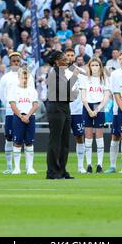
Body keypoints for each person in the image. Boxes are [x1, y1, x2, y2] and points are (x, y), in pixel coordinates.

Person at [0, 52, 34, 174]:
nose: (16, 63)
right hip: (11, 111)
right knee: (9, 138)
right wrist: (9, 105)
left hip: (27, 112)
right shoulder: (5, 77)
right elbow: (2, 94)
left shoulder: (28, 76)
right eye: (13, 61)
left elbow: (32, 93)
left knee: (27, 140)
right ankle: (9, 166)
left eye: (17, 61)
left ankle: (28, 167)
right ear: (10, 62)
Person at [46, 51, 79, 180]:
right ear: (56, 61)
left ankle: (62, 170)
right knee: (55, 141)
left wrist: (73, 94)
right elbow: (63, 91)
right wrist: (75, 77)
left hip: (65, 107)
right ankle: (52, 172)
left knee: (65, 141)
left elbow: (67, 93)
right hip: (56, 108)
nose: (67, 61)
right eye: (64, 59)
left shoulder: (63, 73)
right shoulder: (53, 73)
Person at [81, 56, 110, 174]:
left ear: (100, 66)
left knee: (99, 136)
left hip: (99, 108)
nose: (94, 67)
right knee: (88, 137)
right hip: (87, 107)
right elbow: (83, 97)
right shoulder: (85, 79)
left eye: (97, 65)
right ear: (89, 66)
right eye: (92, 65)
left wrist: (97, 110)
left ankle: (99, 164)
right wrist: (89, 110)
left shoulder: (105, 79)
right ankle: (88, 164)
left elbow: (106, 97)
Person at [8, 66, 39, 175]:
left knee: (29, 142)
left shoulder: (32, 90)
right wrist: (21, 116)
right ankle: (17, 168)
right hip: (18, 118)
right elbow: (12, 105)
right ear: (19, 77)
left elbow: (35, 105)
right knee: (17, 142)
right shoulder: (14, 89)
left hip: (30, 117)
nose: (25, 80)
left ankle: (29, 167)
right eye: (23, 77)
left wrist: (28, 115)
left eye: (26, 78)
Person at [105, 50, 122, 174]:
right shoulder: (114, 74)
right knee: (115, 137)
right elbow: (112, 92)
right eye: (121, 59)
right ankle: (112, 165)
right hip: (117, 111)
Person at [65, 48, 87, 174]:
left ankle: (80, 166)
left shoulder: (82, 72)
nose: (70, 57)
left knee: (79, 136)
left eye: (72, 55)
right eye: (67, 55)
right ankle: (62, 165)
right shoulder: (61, 72)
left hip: (78, 110)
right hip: (65, 110)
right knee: (63, 138)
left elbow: (86, 89)